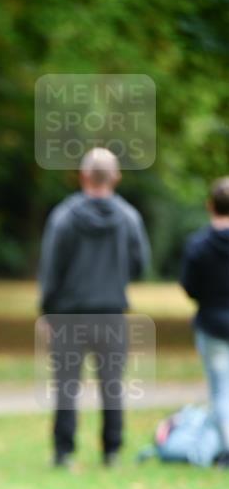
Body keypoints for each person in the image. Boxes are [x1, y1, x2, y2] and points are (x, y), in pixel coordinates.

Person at [38, 148, 151, 468]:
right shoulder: (129, 218)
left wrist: (46, 310)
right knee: (113, 385)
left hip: (68, 315)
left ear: (83, 175)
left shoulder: (64, 217)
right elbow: (140, 266)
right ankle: (111, 452)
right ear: (115, 177)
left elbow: (51, 269)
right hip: (112, 313)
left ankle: (63, 452)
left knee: (66, 386)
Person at [181, 176, 229, 468]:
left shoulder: (198, 244)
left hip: (212, 325)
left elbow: (190, 286)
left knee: (221, 391)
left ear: (210, 205)